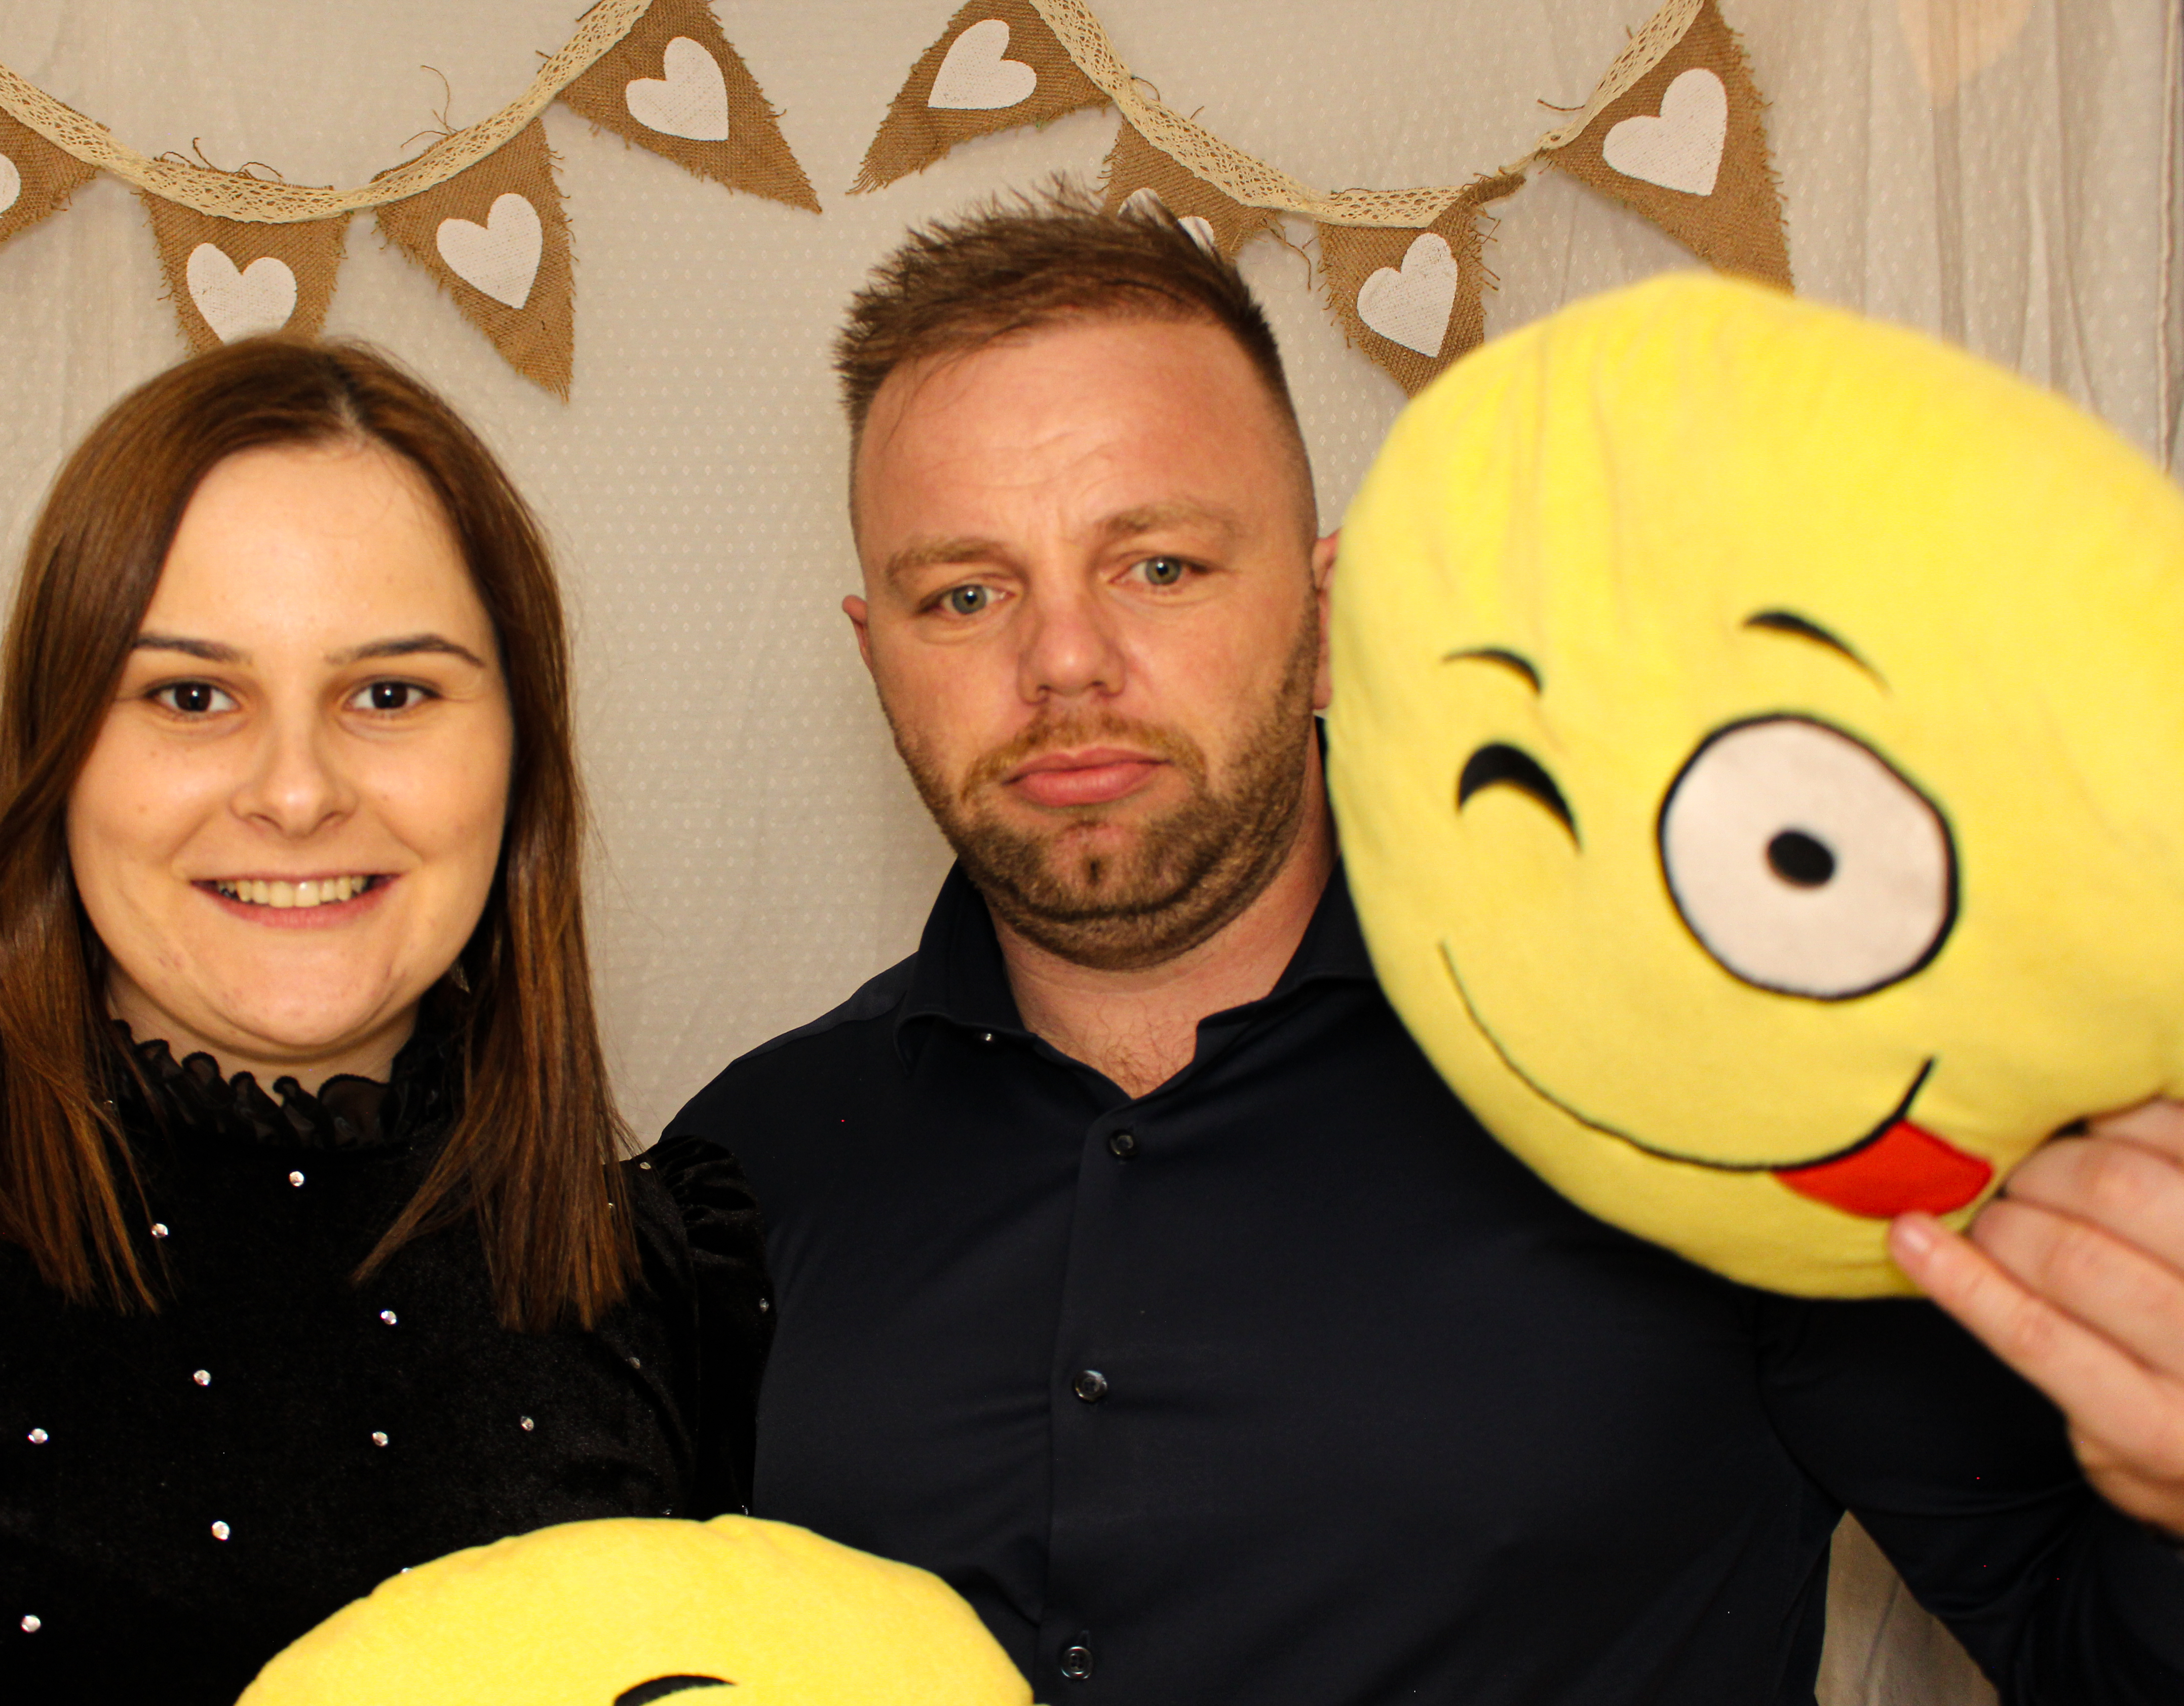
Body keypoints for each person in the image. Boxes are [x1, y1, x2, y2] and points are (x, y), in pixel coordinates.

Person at [663, 189, 2184, 1703]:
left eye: (1160, 567)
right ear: (878, 653)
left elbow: (2087, 1643)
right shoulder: (748, 1166)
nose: (1063, 660)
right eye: (969, 593)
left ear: (1331, 611)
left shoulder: (1701, 1085)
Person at [0, 339, 769, 1703]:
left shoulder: (666, 1286)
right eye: (191, 696)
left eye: (391, 694)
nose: (296, 793)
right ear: (60, 754)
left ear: (519, 763)